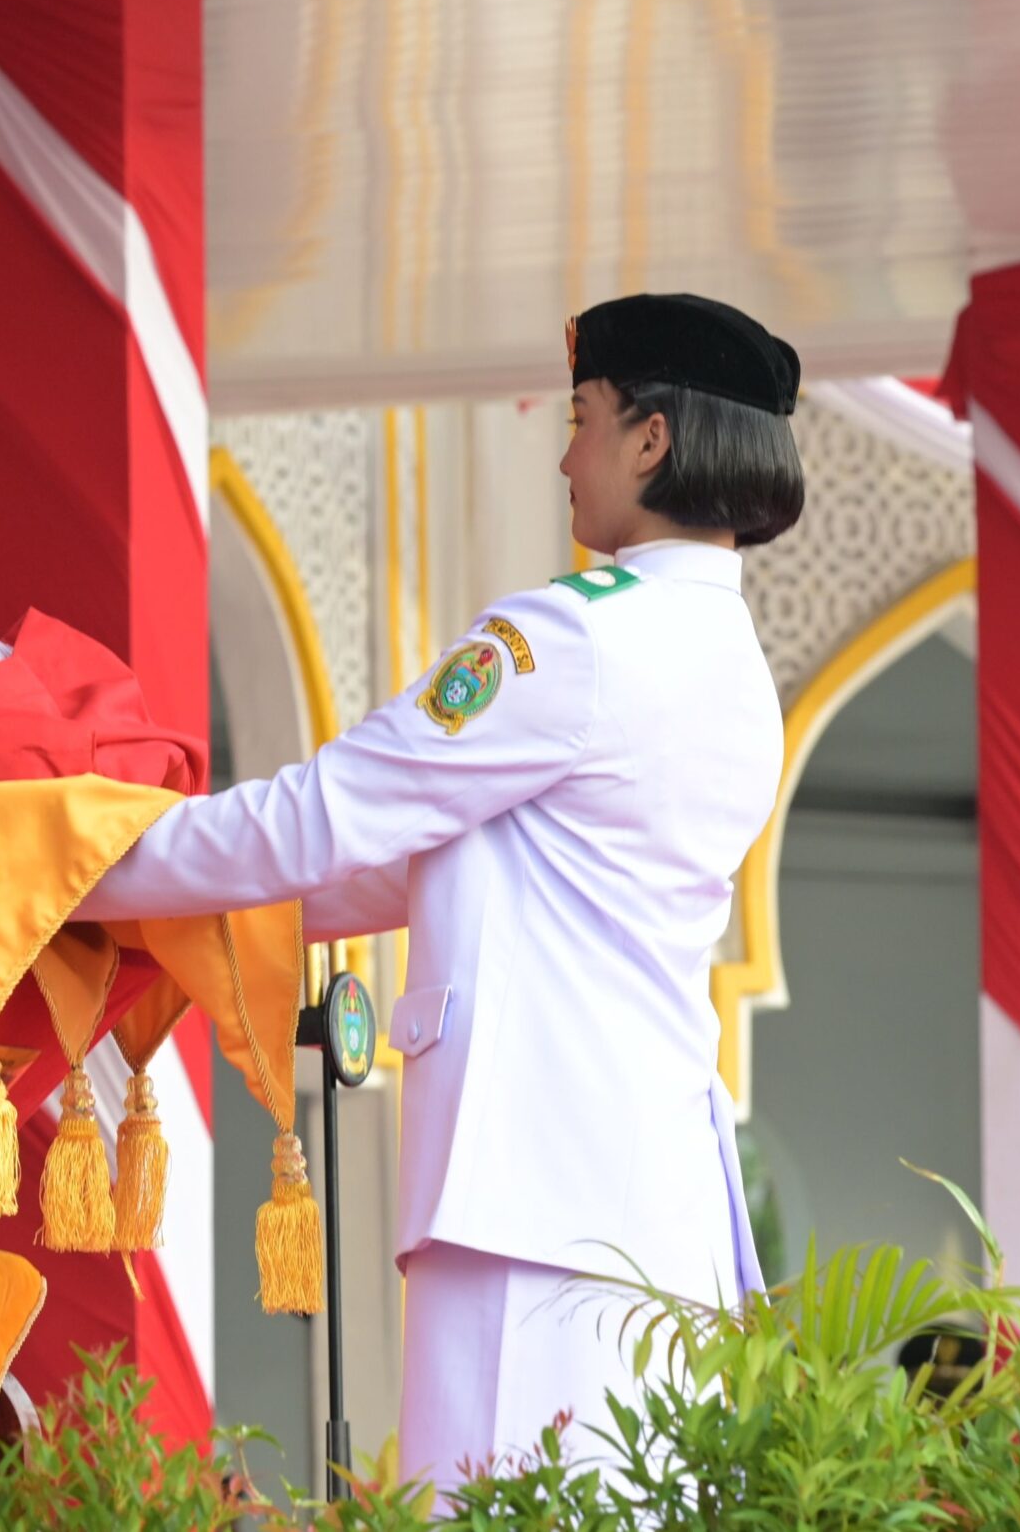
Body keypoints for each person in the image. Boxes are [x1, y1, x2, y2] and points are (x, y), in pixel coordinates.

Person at [70, 293, 803, 1494]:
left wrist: (71, 869)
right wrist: (146, 900)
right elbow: (398, 865)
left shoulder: (569, 641)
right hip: (650, 1214)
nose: (566, 454)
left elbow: (327, 814)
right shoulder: (730, 665)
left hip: (531, 1207)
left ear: (651, 441)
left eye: (582, 417)